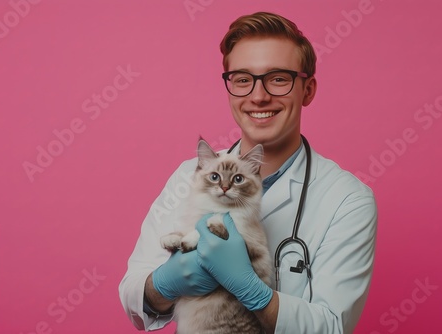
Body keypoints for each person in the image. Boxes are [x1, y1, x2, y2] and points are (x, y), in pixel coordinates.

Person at [119, 11, 377, 334]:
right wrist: (167, 282)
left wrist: (253, 293)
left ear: (307, 90)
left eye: (278, 78)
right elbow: (133, 295)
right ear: (229, 89)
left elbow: (332, 326)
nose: (258, 96)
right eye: (243, 80)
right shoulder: (189, 176)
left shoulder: (347, 200)